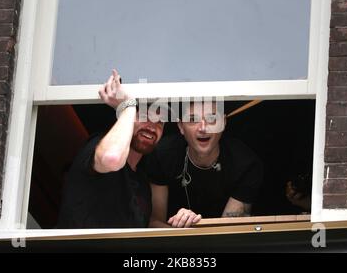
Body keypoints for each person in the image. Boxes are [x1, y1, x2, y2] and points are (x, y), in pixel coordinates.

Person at [57, 70, 164, 228]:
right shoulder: (97, 145)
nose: (152, 126)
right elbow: (112, 158)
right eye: (143, 116)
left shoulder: (142, 182)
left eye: (159, 121)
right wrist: (128, 107)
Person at [144, 101, 263, 228]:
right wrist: (182, 237)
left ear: (223, 123)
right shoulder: (163, 155)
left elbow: (228, 230)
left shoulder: (245, 163)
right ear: (181, 127)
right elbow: (154, 223)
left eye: (212, 118)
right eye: (192, 119)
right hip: (176, 242)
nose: (203, 128)